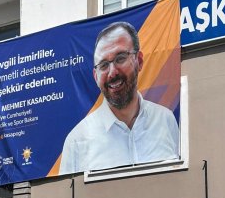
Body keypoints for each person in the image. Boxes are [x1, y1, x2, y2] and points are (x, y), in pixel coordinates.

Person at [60, 21, 179, 174]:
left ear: (139, 61)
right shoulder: (77, 141)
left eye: (120, 58)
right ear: (96, 77)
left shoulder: (165, 120)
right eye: (104, 65)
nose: (112, 73)